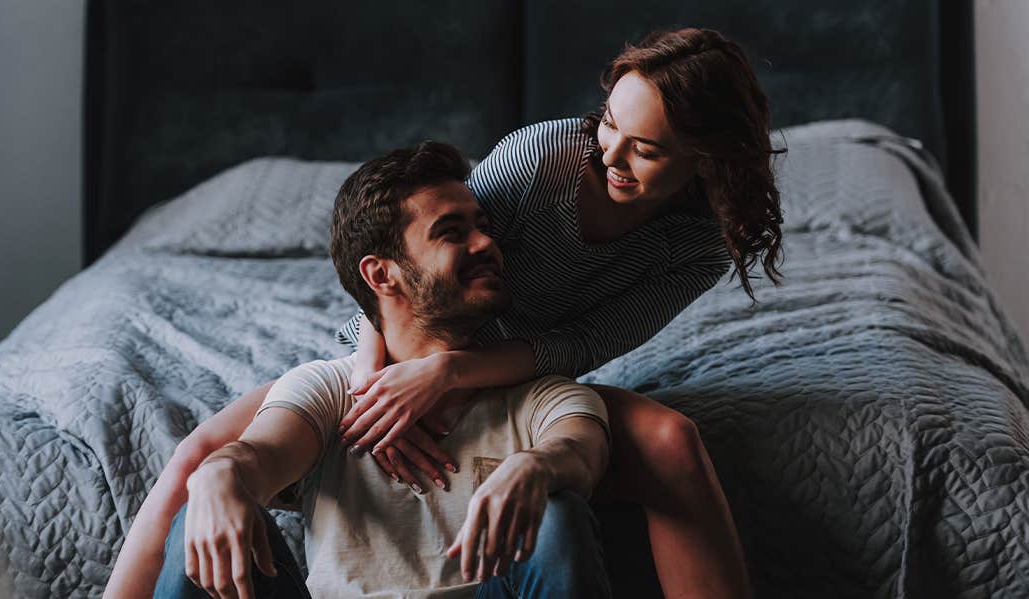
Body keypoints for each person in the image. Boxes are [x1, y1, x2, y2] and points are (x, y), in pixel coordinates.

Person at [106, 27, 781, 599]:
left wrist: (455, 375)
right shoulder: (543, 160)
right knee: (203, 454)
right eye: (610, 121)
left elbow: (584, 342)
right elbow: (414, 257)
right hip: (418, 335)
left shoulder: (698, 249)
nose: (611, 153)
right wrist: (374, 390)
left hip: (516, 365)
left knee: (673, 443)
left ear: (706, 161)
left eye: (647, 148)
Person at [153, 141, 613, 599]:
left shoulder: (543, 397)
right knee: (197, 511)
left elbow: (579, 449)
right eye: (452, 232)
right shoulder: (328, 390)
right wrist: (221, 471)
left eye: (484, 227)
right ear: (380, 275)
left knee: (556, 512)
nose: (487, 243)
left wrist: (538, 465)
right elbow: (264, 454)